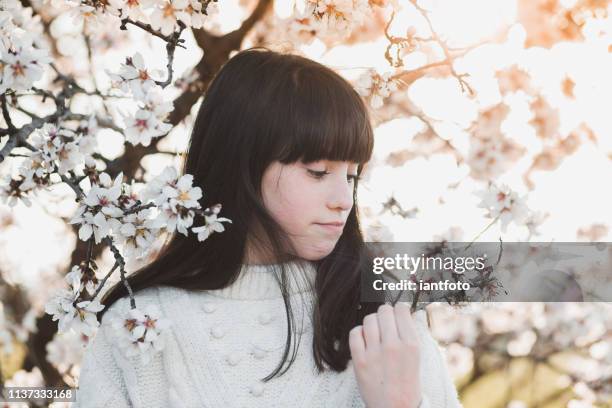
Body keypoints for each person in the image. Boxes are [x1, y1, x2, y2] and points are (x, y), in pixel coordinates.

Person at [74, 48, 463, 408]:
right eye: (318, 172)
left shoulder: (382, 316)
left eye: (352, 176)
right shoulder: (141, 321)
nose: (344, 198)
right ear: (242, 165)